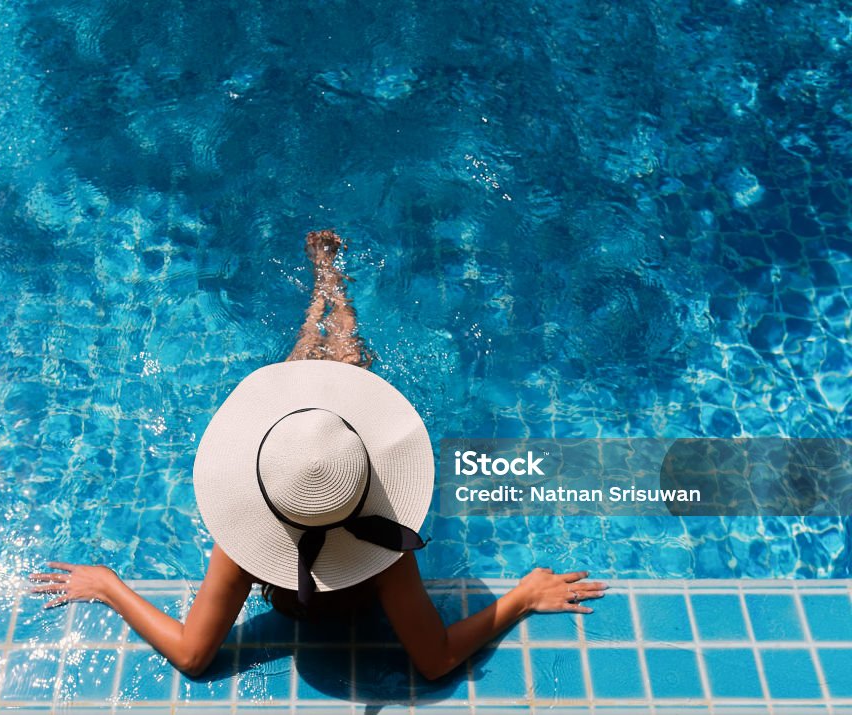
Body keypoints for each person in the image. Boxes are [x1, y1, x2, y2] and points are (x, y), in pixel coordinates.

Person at [30, 230, 607, 680]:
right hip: (344, 503)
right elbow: (434, 661)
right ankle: (332, 286)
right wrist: (523, 596)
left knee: (304, 406)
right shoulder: (386, 543)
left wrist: (109, 585)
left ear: (259, 504)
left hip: (299, 500)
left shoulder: (241, 550)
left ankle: (322, 292)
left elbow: (192, 655)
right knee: (334, 395)